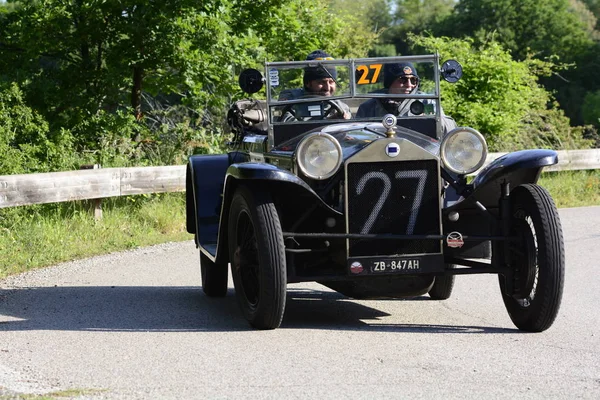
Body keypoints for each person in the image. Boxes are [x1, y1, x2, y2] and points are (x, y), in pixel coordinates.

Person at [356, 62, 456, 133]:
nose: (409, 85)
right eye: (403, 80)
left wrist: (433, 121)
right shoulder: (368, 107)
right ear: (390, 83)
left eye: (413, 80)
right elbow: (357, 135)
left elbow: (450, 130)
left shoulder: (427, 102)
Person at [278, 50, 351, 121]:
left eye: (331, 82)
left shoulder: (340, 106)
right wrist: (328, 121)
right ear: (308, 83)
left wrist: (344, 120)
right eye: (322, 82)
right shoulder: (291, 98)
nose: (327, 88)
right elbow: (286, 124)